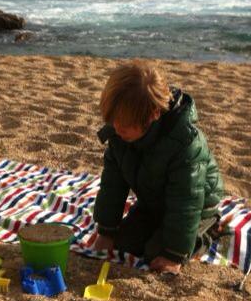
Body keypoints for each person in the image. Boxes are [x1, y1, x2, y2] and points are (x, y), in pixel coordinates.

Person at [92, 60, 225, 275]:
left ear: (154, 114)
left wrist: (174, 255)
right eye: (113, 120)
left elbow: (187, 202)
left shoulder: (185, 143)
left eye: (124, 124)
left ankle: (210, 227)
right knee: (124, 244)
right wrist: (106, 230)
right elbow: (112, 185)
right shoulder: (118, 133)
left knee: (156, 253)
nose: (117, 128)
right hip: (154, 201)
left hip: (198, 205)